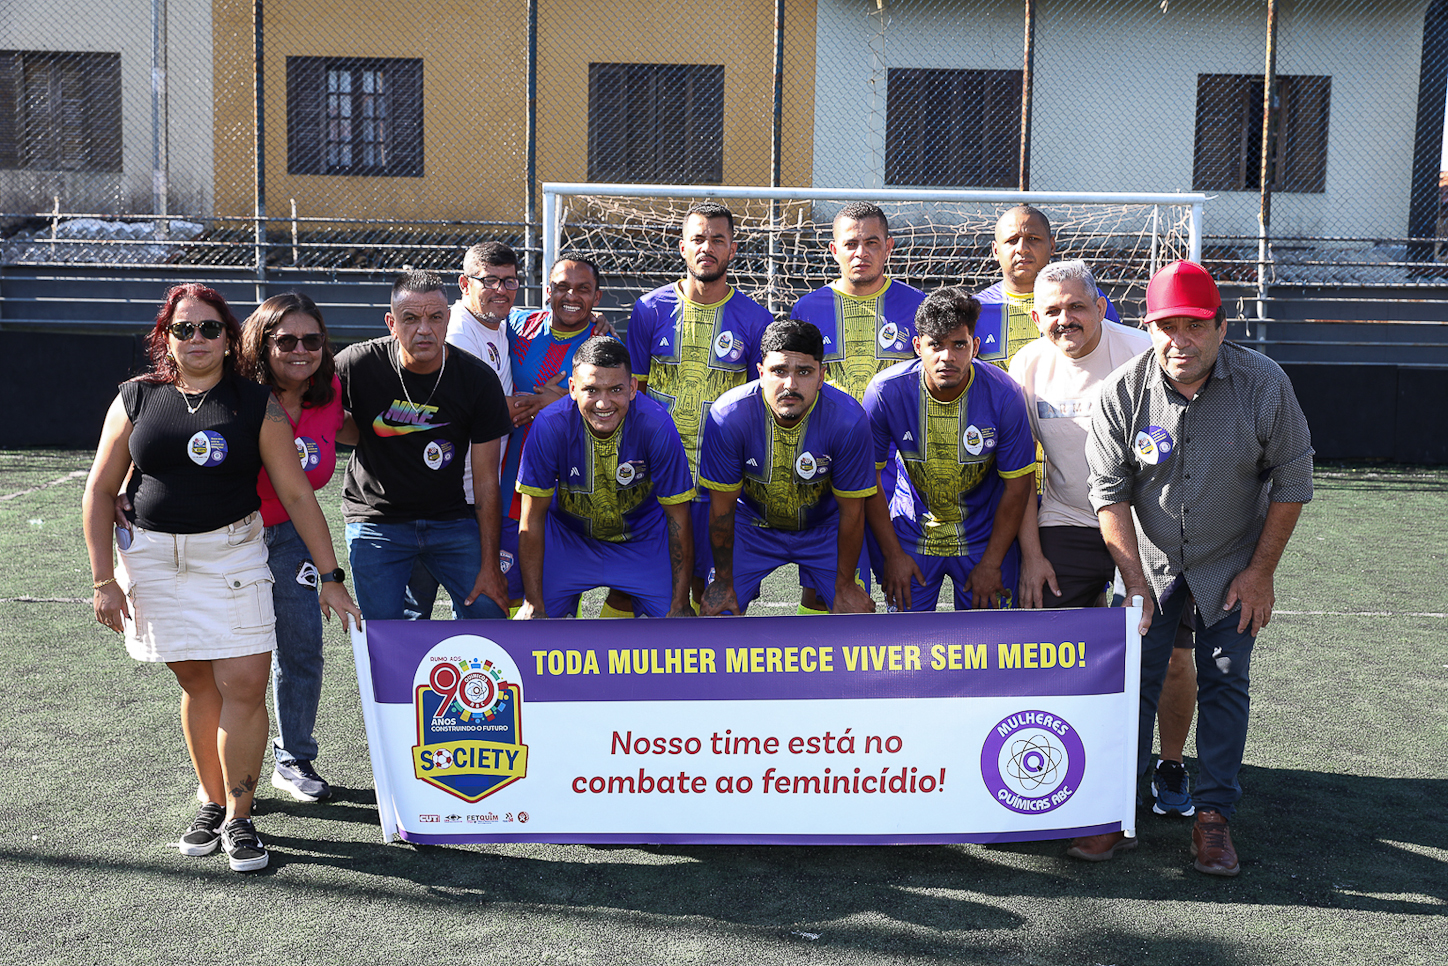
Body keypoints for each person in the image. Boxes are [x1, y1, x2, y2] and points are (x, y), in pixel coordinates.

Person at [83, 283, 360, 873]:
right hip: (155, 562)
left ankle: (240, 815)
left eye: (210, 328)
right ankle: (210, 802)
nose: (197, 339)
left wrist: (331, 574)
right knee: (198, 686)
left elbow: (296, 494)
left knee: (244, 684)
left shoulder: (253, 402)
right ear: (166, 336)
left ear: (229, 336)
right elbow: (102, 490)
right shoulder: (135, 398)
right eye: (184, 329)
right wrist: (103, 579)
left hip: (234, 556)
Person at [1072, 260, 1313, 876]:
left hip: (1232, 558)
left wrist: (1260, 572)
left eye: (1194, 326)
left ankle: (1212, 819)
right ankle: (1113, 811)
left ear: (1222, 327)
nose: (1180, 340)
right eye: (1166, 326)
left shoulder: (1265, 384)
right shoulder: (1121, 392)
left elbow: (1293, 480)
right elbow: (1109, 491)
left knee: (1226, 677)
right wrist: (1133, 583)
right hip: (1149, 561)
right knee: (1135, 684)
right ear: (1149, 328)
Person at [1009, 258, 1198, 817]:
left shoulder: (1145, 353)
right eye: (1051, 311)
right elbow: (1021, 471)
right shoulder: (1027, 364)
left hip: (1150, 525)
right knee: (1048, 645)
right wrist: (1032, 554)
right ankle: (1068, 753)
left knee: (1168, 655)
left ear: (1099, 306)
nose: (1064, 319)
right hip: (1068, 516)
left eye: (1075, 307)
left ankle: (1169, 765)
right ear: (1036, 316)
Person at [335, 270, 513, 620]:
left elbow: (486, 480)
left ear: (448, 318)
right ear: (391, 322)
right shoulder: (357, 364)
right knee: (383, 633)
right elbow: (313, 409)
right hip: (377, 519)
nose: (424, 329)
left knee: (489, 611)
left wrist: (490, 563)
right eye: (410, 319)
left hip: (449, 518)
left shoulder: (477, 380)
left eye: (435, 317)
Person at [623, 202, 770, 611]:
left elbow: (758, 406)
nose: (708, 247)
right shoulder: (648, 310)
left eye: (717, 239)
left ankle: (714, 675)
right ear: (683, 247)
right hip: (657, 473)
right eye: (699, 239)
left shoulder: (757, 320)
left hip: (719, 477)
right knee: (658, 594)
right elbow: (633, 395)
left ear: (732, 249)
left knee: (713, 596)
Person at [789, 201, 926, 614]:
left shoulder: (917, 305)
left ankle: (895, 671)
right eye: (851, 244)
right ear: (834, 250)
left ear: (889, 248)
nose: (860, 252)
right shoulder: (807, 310)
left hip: (901, 469)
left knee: (903, 578)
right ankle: (811, 672)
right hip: (829, 463)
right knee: (825, 581)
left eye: (871, 242)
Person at [237, 293, 347, 802]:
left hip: (293, 540)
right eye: (286, 340)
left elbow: (308, 484)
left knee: (302, 647)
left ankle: (293, 757)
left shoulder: (330, 393)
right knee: (235, 656)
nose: (300, 350)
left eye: (312, 340)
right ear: (262, 343)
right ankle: (225, 767)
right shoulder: (235, 394)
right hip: (231, 537)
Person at [862, 287, 1035, 611]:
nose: (947, 356)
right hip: (911, 537)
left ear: (975, 346)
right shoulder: (885, 392)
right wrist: (893, 555)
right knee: (905, 651)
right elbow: (867, 482)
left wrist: (992, 562)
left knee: (988, 652)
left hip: (983, 541)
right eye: (935, 345)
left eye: (959, 344)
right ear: (917, 346)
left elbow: (1017, 487)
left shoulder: (1005, 395)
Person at [697, 319, 877, 616]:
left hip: (825, 528)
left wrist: (844, 585)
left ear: (822, 376)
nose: (790, 385)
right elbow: (722, 509)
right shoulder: (728, 415)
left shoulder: (849, 420)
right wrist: (723, 580)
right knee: (719, 611)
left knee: (853, 615)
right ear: (760, 373)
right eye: (779, 371)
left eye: (804, 372)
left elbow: (852, 512)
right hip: (752, 525)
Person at [514, 338, 696, 619]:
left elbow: (678, 517)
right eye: (591, 390)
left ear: (633, 388)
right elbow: (532, 518)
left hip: (642, 542)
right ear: (573, 389)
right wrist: (532, 602)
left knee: (679, 636)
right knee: (535, 629)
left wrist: (681, 602)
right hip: (568, 541)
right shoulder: (549, 426)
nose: (603, 402)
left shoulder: (656, 425)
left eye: (616, 390)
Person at [404, 242, 522, 619]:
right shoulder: (455, 330)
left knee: (478, 605)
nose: (500, 290)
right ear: (464, 283)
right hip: (441, 498)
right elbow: (475, 410)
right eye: (489, 280)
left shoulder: (500, 322)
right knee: (416, 611)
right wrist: (544, 400)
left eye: (510, 281)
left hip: (477, 494)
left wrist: (596, 320)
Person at [498, 256, 609, 614]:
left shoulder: (604, 343)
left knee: (556, 594)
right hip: (510, 473)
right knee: (503, 590)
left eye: (582, 289)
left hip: (570, 480)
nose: (571, 295)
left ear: (597, 297)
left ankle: (554, 666)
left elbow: (619, 406)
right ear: (547, 291)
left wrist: (562, 402)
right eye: (562, 287)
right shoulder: (517, 323)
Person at [976, 205, 1121, 370]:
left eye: (1033, 239)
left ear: (1052, 245)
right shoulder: (975, 309)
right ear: (996, 250)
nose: (1022, 249)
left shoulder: (1088, 298)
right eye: (1012, 240)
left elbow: (1117, 352)